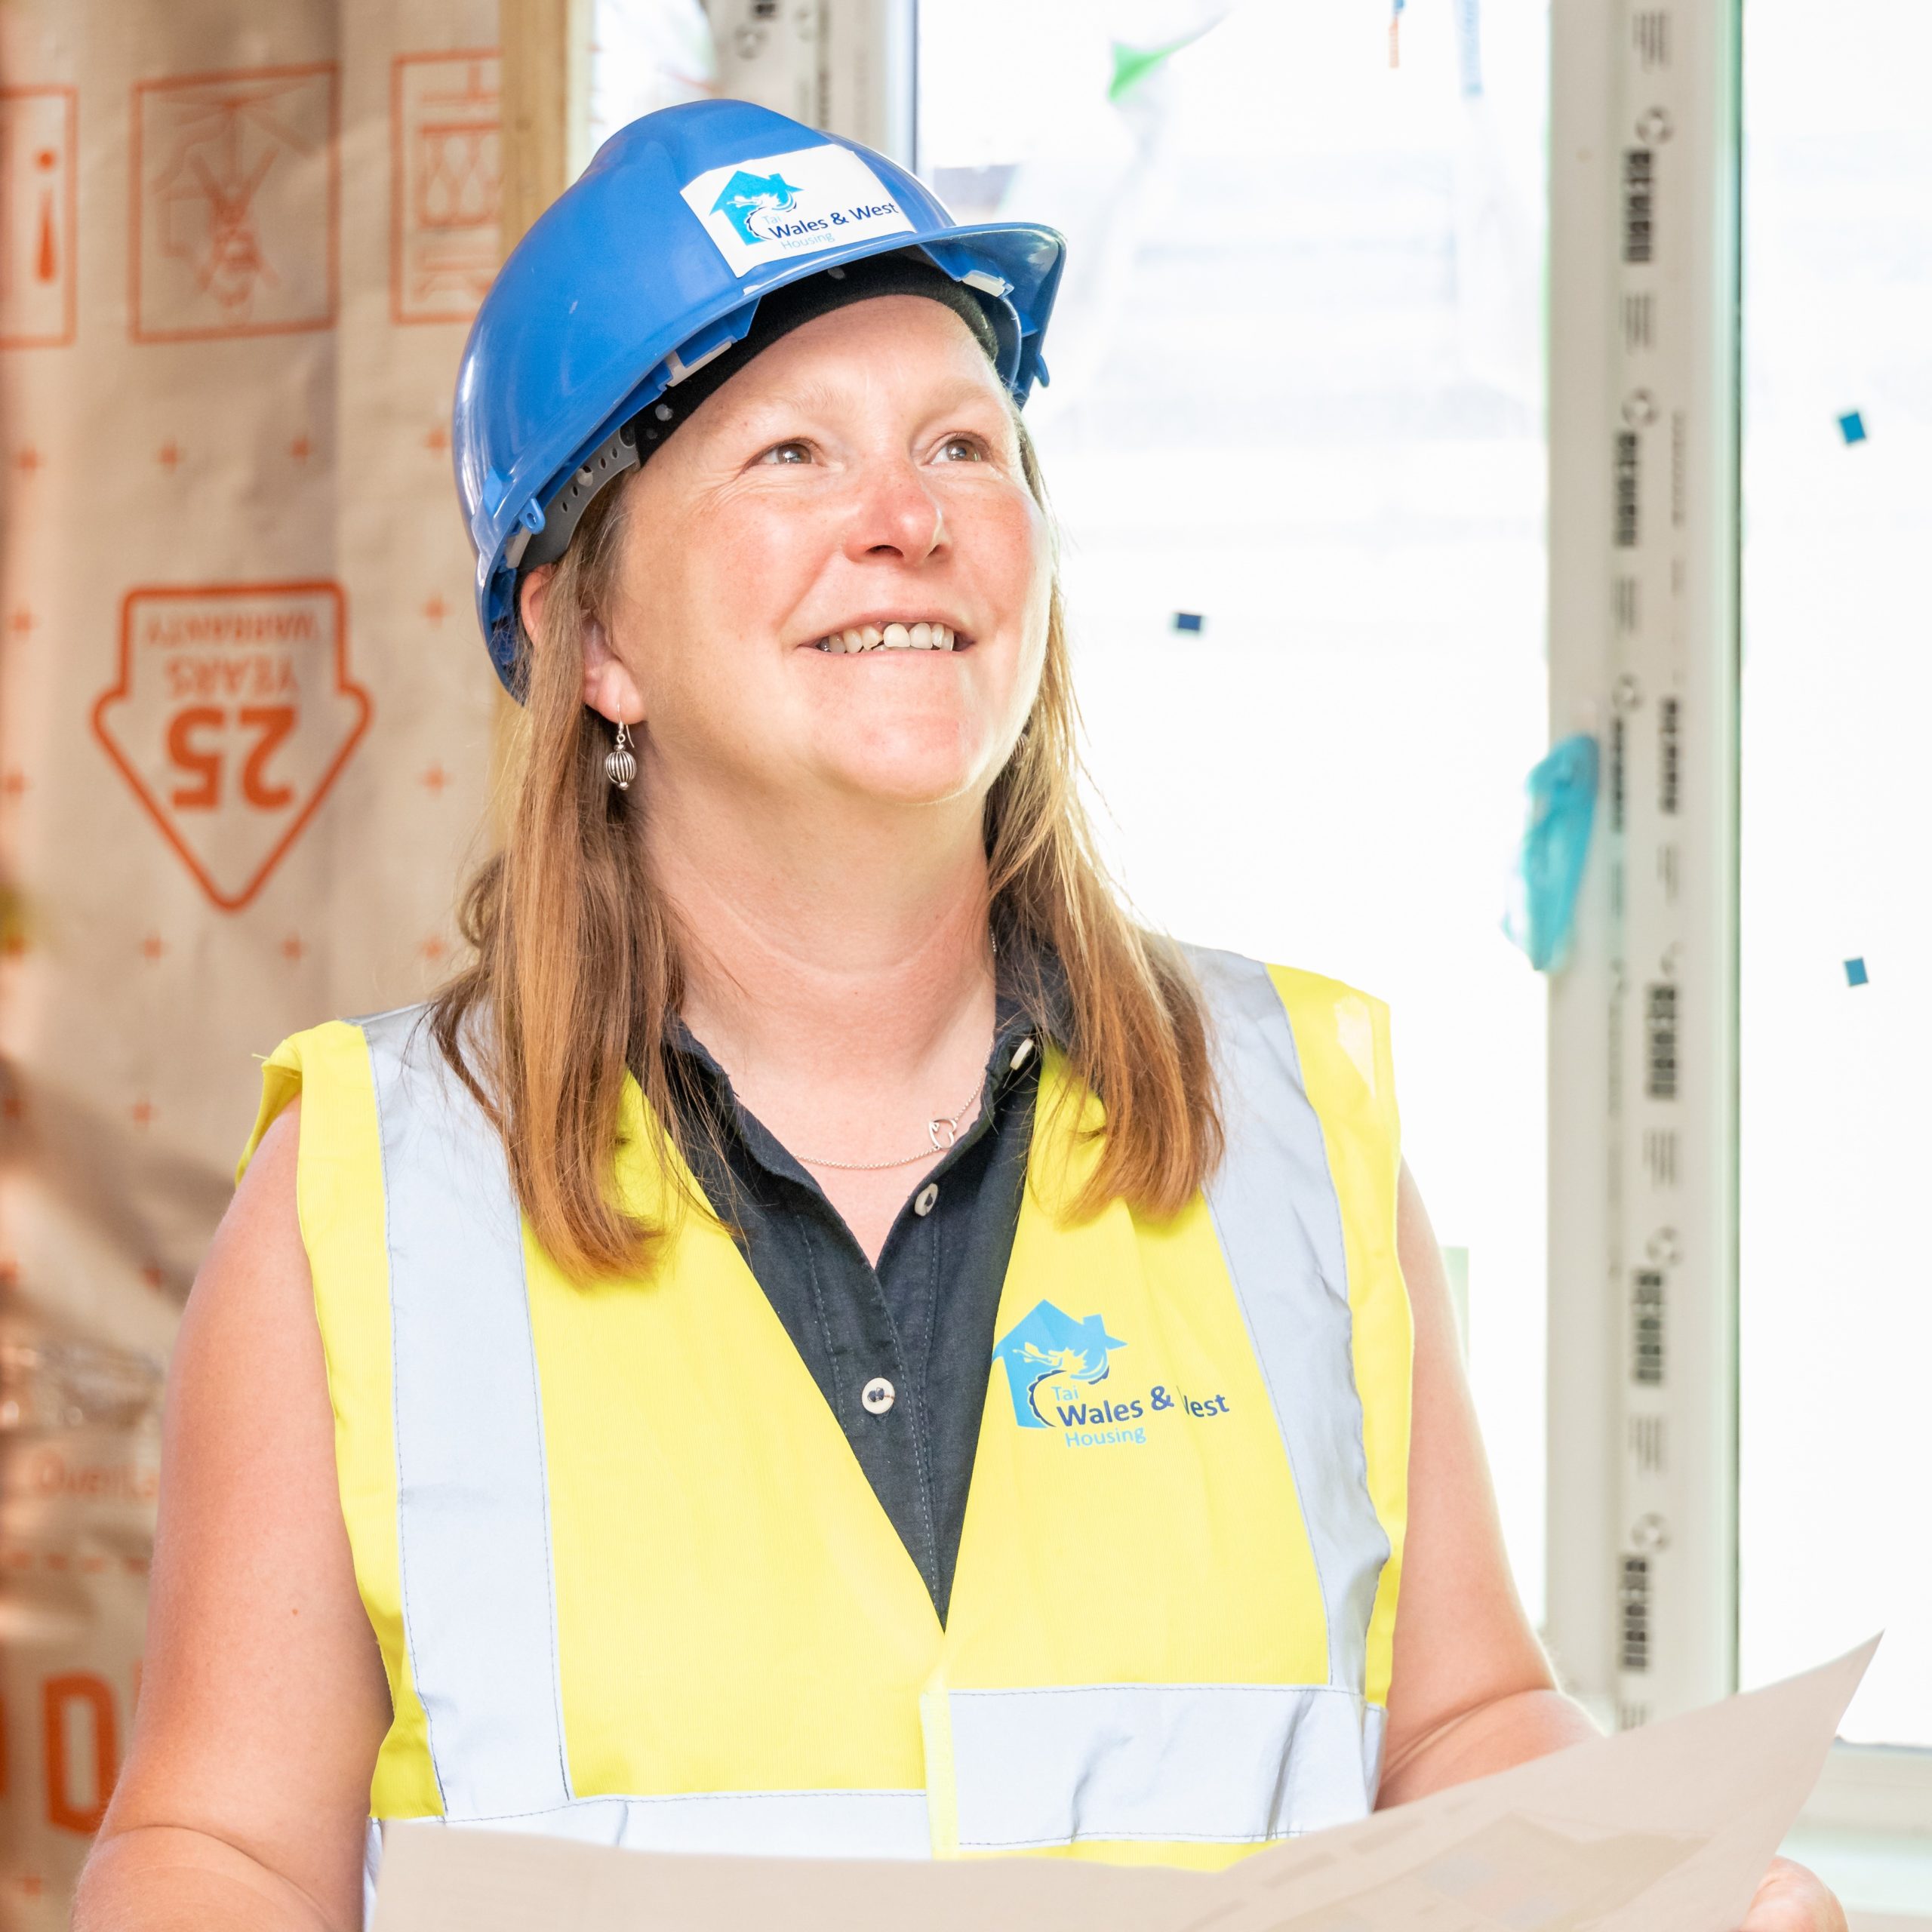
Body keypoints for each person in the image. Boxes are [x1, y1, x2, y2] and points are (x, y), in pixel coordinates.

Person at [75, 100, 1844, 1932]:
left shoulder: (1290, 1124)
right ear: (589, 635)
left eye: (960, 443)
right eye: (789, 453)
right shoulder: (363, 1204)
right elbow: (219, 1856)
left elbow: (1459, 1722)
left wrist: (1648, 1889)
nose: (905, 518)